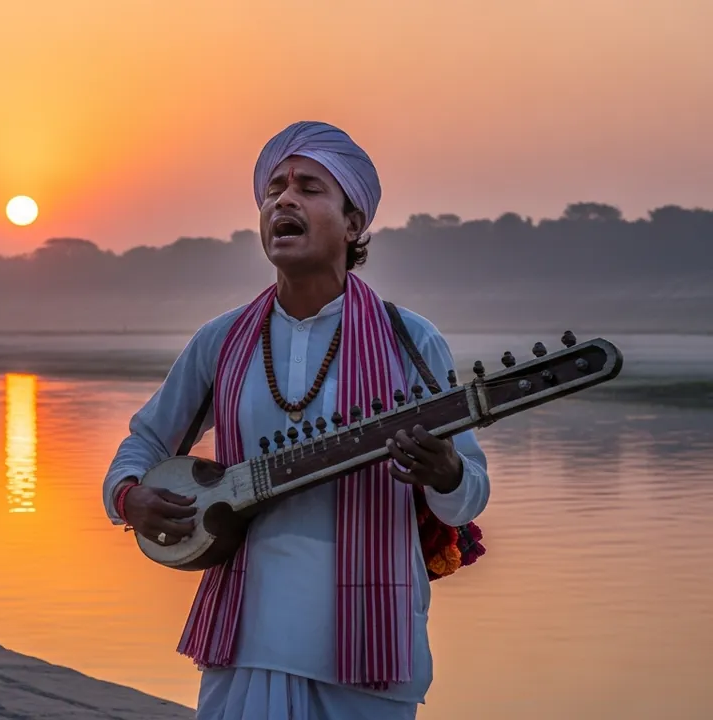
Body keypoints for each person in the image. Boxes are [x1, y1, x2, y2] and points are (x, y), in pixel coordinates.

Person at [101, 121, 490, 719]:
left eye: (309, 187)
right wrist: (130, 499)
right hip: (250, 635)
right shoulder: (223, 339)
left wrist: (444, 473)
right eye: (273, 190)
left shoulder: (409, 339)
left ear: (354, 223)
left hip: (372, 641)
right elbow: (147, 439)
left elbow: (467, 498)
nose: (283, 199)